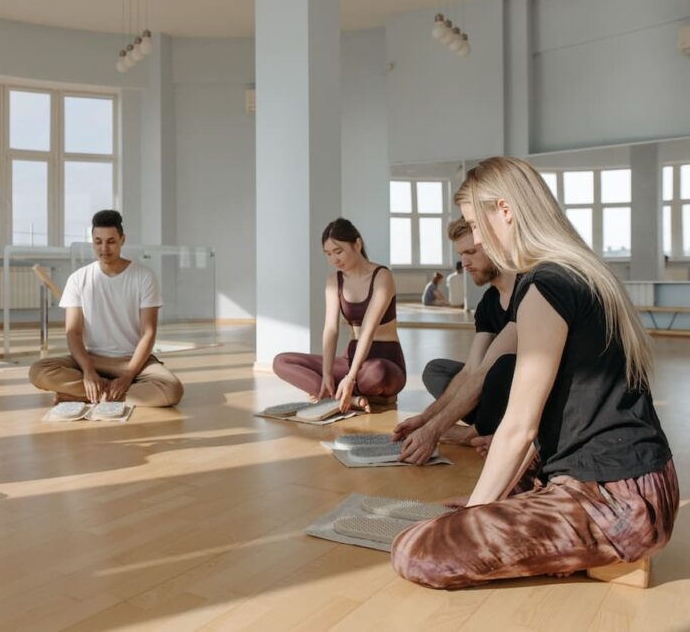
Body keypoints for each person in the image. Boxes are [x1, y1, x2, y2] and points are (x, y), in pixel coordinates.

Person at [391, 157, 677, 589]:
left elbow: (520, 427)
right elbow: (533, 409)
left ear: (504, 210)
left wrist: (476, 515)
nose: (477, 239)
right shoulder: (577, 273)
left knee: (416, 550)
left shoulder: (545, 285)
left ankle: (593, 548)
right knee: (459, 516)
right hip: (634, 484)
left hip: (618, 502)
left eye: (474, 222)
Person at [392, 217, 517, 464]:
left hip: (529, 394)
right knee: (436, 370)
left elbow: (483, 374)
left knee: (499, 370)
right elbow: (472, 369)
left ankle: (473, 433)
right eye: (462, 254)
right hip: (496, 394)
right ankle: (490, 428)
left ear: (496, 246)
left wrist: (434, 430)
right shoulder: (488, 303)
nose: (465, 263)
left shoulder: (528, 289)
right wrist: (425, 419)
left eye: (471, 252)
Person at [28, 210, 183, 407]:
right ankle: (111, 393)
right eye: (98, 241)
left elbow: (148, 332)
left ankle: (85, 396)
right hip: (92, 358)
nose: (104, 248)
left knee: (172, 389)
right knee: (38, 371)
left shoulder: (144, 276)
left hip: (133, 360)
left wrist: (128, 375)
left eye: (111, 241)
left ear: (122, 240)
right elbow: (73, 333)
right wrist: (88, 370)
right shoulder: (78, 279)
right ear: (92, 241)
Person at [272, 218, 406, 413]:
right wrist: (327, 373)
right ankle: (347, 397)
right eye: (328, 254)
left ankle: (339, 391)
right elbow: (331, 329)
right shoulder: (334, 281)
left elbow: (368, 329)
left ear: (357, 245)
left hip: (384, 360)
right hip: (350, 359)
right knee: (281, 361)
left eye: (338, 251)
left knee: (378, 372)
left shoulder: (382, 276)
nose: (334, 260)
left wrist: (351, 377)